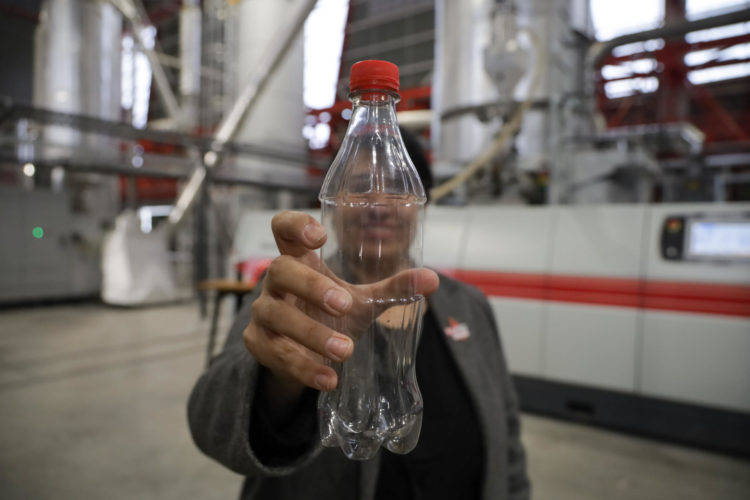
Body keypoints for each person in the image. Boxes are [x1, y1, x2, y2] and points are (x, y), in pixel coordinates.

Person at [187, 128, 530, 500]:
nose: (379, 205)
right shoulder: (297, 299)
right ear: (332, 204)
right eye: (362, 186)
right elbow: (211, 424)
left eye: (397, 188)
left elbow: (507, 435)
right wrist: (281, 378)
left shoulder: (468, 305)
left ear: (422, 204)